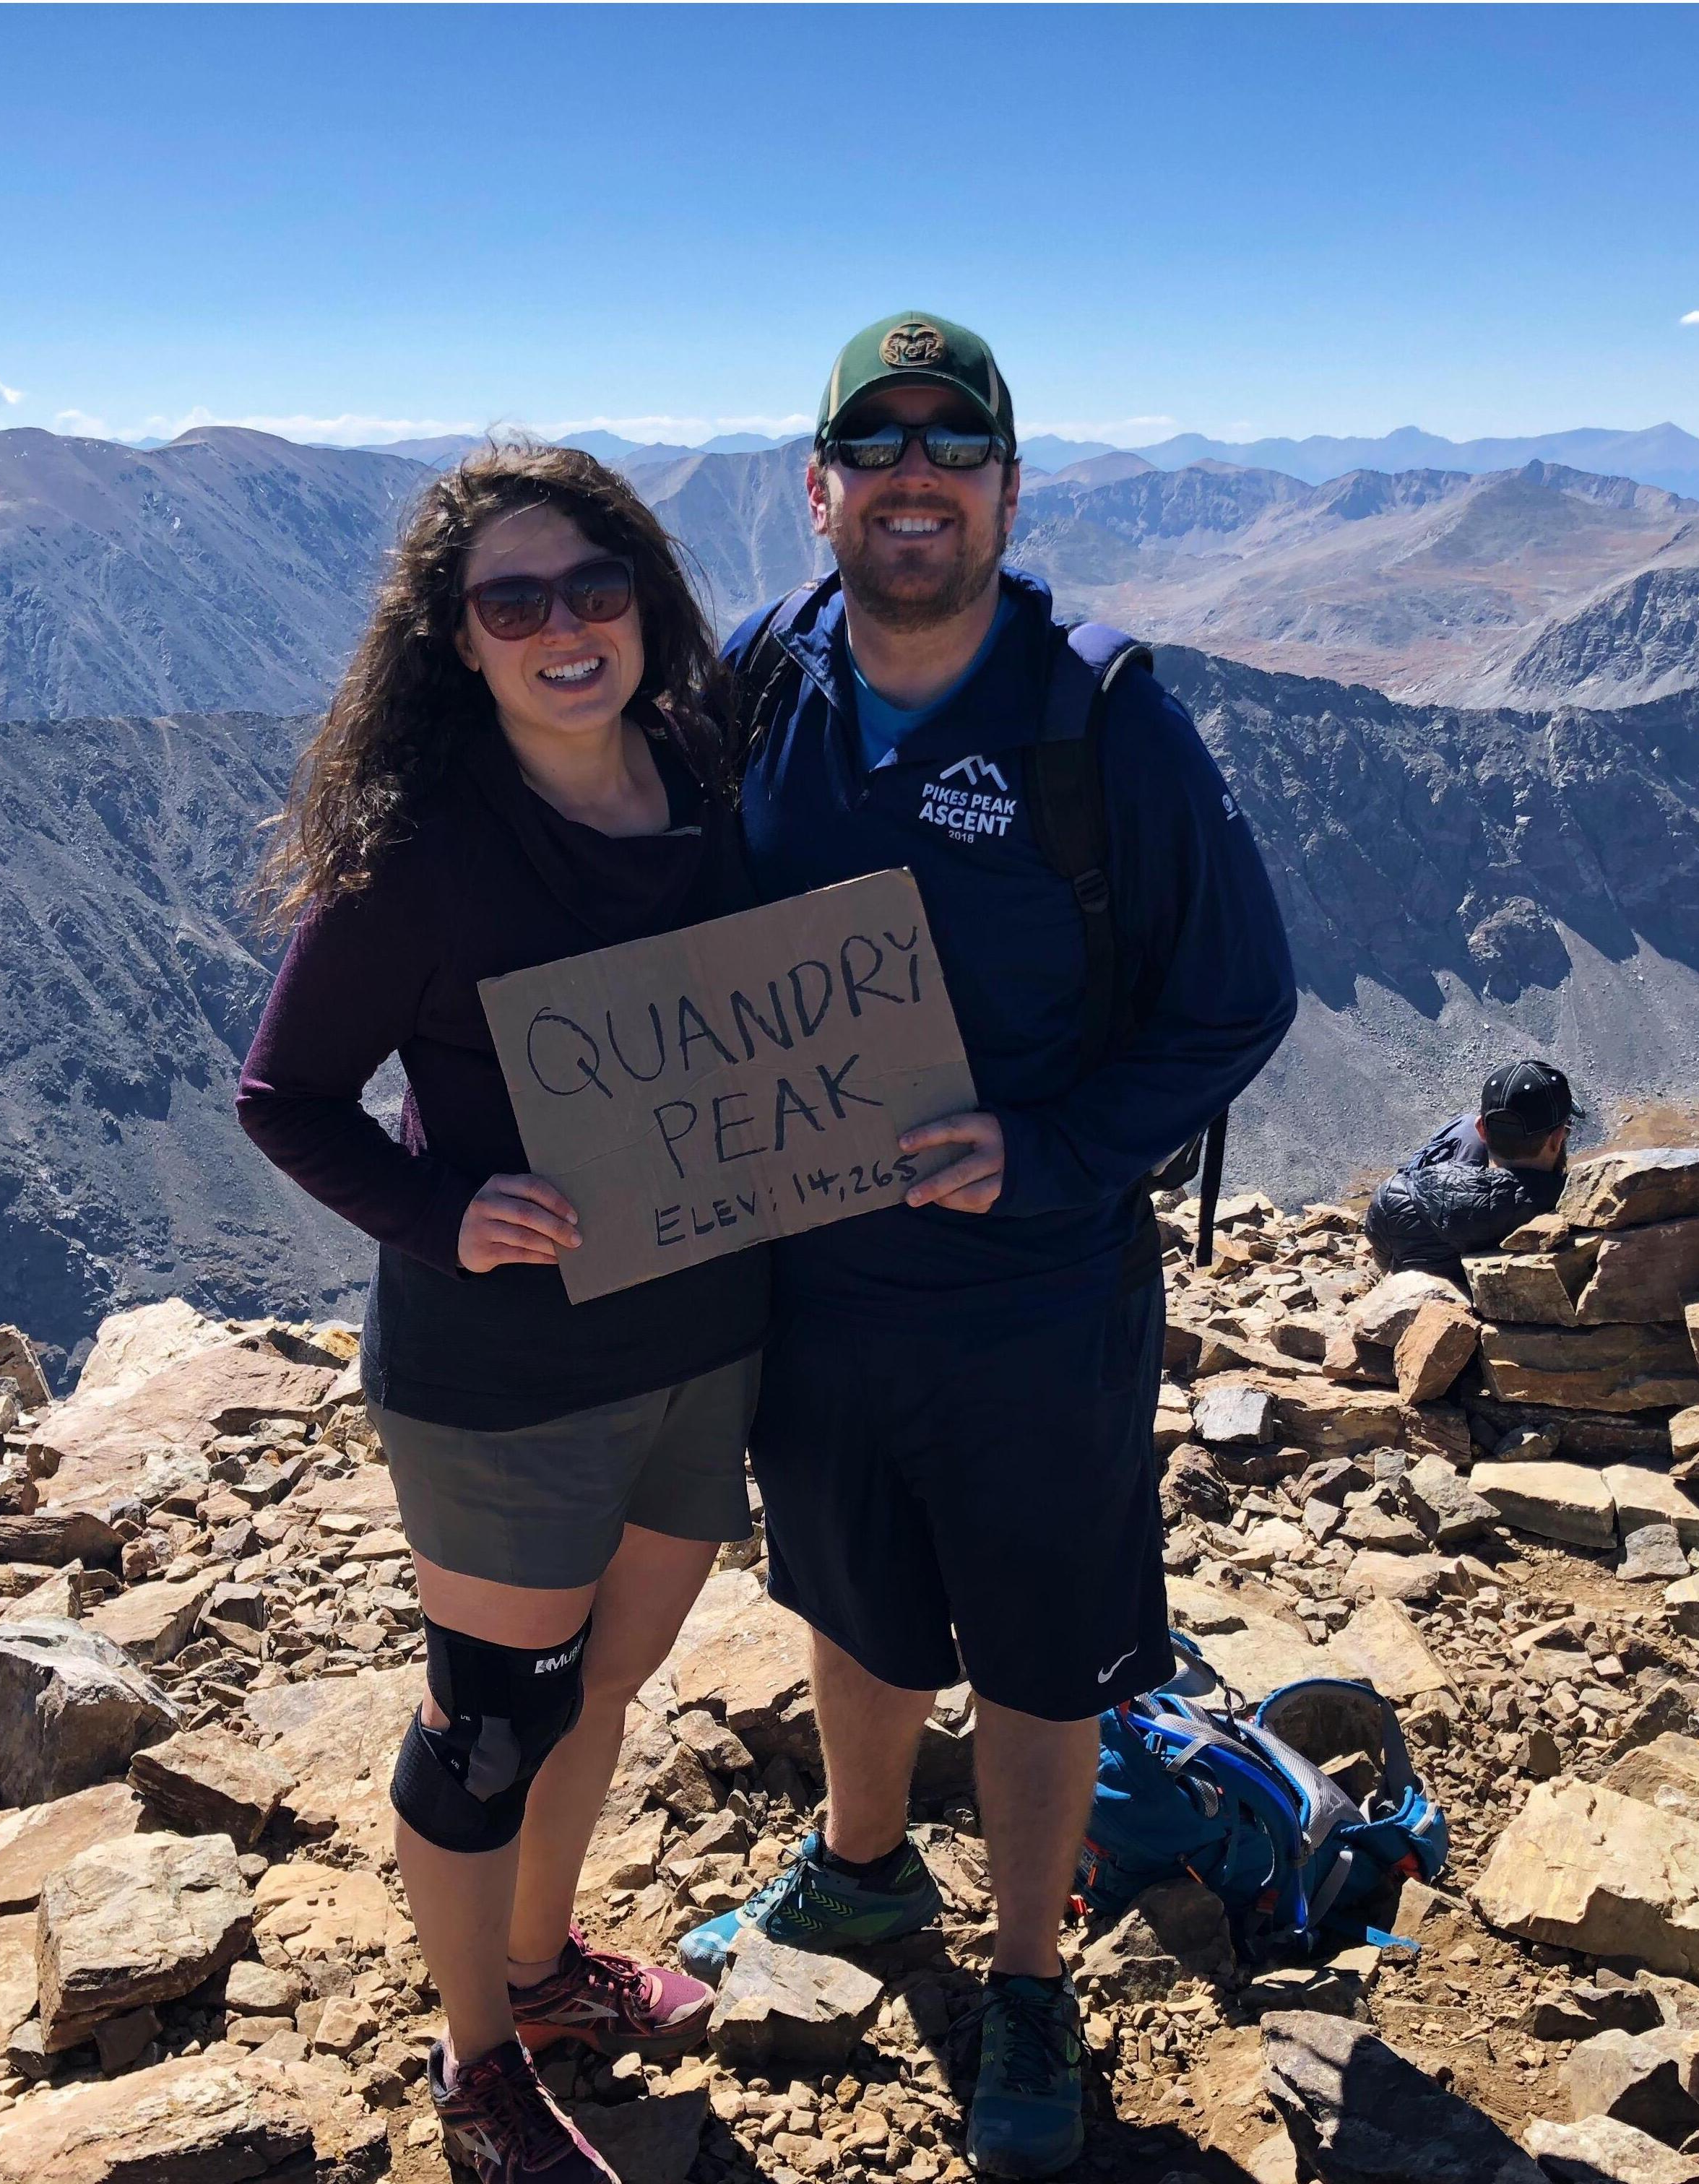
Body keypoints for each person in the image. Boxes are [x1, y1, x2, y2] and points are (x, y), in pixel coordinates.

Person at [688, 312, 1297, 2179]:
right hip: (821, 1280)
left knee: (1039, 1656)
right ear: (818, 492)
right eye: (876, 448)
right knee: (849, 1598)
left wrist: (1042, 1155)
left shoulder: (1098, 716)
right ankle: (864, 1874)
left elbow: (1237, 997)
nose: (915, 477)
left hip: (1037, 1290)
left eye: (956, 448)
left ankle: (1026, 1979)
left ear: (1010, 491)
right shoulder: (760, 681)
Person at [238, 443, 769, 2184]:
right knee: (488, 1727)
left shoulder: (703, 768)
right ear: (456, 641)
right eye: (514, 603)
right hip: (505, 1379)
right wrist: (442, 1213)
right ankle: (480, 2066)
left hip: (699, 1341)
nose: (563, 629)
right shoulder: (421, 860)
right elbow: (286, 1097)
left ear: (647, 608)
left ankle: (543, 1974)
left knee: (605, 1684)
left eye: (595, 590)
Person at [1361, 1059, 1583, 1281]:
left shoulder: (1394, 1198)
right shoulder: (1582, 1210)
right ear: (1557, 1138)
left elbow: (1385, 1264)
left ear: (1481, 1131)